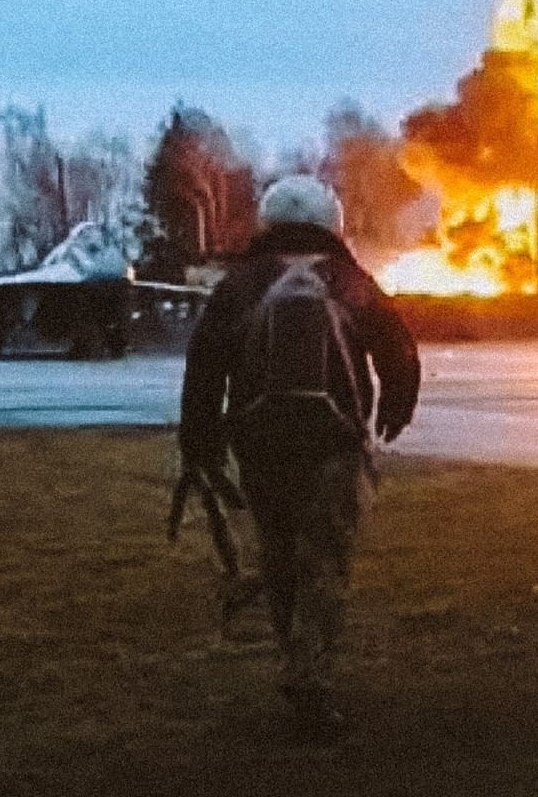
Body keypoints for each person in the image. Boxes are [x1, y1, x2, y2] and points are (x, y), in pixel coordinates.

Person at [177, 174, 420, 737]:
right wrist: (396, 408)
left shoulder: (241, 285)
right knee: (324, 561)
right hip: (333, 446)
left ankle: (295, 657)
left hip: (260, 446)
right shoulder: (347, 280)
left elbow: (205, 364)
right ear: (331, 220)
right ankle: (311, 676)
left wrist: (201, 441)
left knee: (279, 555)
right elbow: (398, 348)